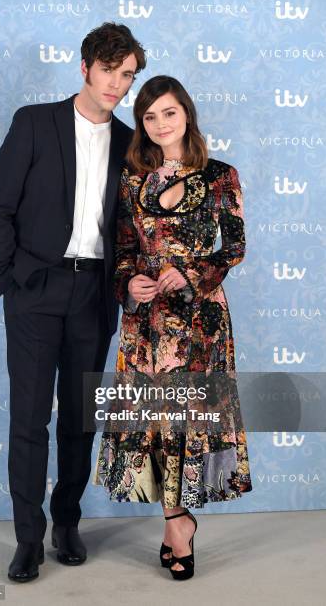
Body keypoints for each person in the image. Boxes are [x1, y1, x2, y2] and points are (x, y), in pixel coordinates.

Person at [0, 22, 146, 582]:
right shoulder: (34, 122)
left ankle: (66, 522)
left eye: (126, 76)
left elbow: (134, 229)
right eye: (108, 71)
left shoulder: (130, 143)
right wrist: (10, 278)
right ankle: (27, 538)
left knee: (79, 420)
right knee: (29, 420)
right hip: (34, 288)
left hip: (95, 295)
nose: (117, 85)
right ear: (85, 67)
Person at [94, 75, 253, 580]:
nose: (161, 124)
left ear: (186, 113)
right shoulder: (131, 180)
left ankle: (178, 521)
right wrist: (130, 281)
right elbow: (122, 252)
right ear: (142, 124)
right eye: (149, 116)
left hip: (200, 323)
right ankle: (176, 520)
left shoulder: (221, 176)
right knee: (150, 424)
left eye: (169, 112)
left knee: (187, 424)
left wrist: (188, 273)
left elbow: (232, 249)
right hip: (146, 327)